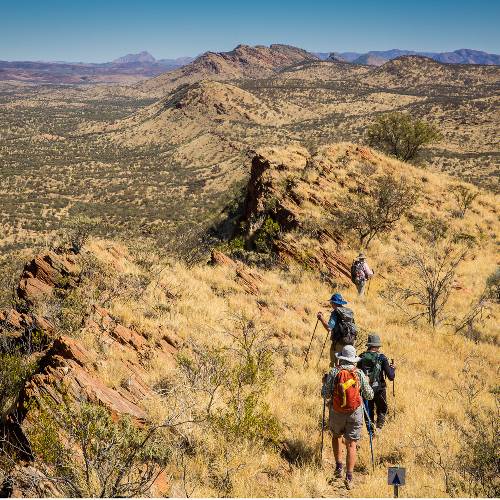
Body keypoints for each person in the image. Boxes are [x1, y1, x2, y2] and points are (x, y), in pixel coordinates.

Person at [321, 345, 374, 490]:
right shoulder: (359, 374)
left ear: (341, 358)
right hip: (355, 412)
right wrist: (367, 383)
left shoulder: (334, 372)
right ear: (353, 360)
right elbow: (370, 395)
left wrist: (324, 382)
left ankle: (338, 467)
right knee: (352, 444)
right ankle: (349, 476)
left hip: (337, 411)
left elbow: (324, 394)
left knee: (336, 436)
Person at [358, 334, 395, 432]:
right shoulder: (382, 358)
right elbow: (391, 377)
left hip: (366, 389)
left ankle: (371, 433)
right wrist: (393, 369)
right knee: (382, 409)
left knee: (368, 411)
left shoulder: (361, 357)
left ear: (369, 345)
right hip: (379, 389)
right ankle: (379, 428)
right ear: (378, 346)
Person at [317, 293, 356, 367]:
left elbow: (329, 328)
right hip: (351, 341)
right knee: (348, 363)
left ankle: (335, 377)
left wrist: (321, 318)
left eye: (331, 302)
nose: (331, 304)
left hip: (339, 342)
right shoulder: (349, 312)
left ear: (334, 303)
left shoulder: (335, 313)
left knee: (335, 365)